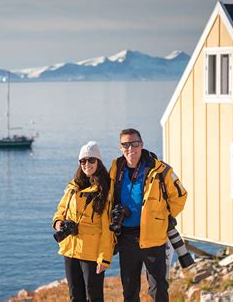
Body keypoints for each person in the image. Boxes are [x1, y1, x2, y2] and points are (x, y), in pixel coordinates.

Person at [109, 128, 188, 301]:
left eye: (134, 144)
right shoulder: (116, 168)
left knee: (158, 289)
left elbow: (180, 196)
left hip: (153, 238)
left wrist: (162, 217)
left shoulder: (160, 169)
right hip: (126, 239)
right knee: (129, 291)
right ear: (120, 147)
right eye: (126, 145)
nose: (131, 149)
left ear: (142, 144)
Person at [53, 141, 114, 302]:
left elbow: (108, 230)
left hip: (91, 254)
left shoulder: (105, 190)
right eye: (83, 161)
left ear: (99, 162)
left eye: (91, 160)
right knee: (75, 295)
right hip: (70, 249)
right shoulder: (73, 186)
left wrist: (104, 258)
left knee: (94, 297)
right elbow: (60, 210)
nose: (87, 164)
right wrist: (59, 223)